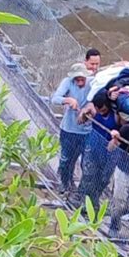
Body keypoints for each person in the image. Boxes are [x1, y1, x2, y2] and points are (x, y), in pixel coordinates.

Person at [70, 93, 119, 212]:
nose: (101, 111)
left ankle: (93, 201)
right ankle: (81, 199)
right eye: (98, 109)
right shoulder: (92, 110)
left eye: (103, 109)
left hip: (110, 152)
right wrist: (83, 112)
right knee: (88, 174)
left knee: (104, 178)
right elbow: (81, 118)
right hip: (93, 147)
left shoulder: (116, 115)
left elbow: (123, 128)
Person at [51, 63, 92, 194]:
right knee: (66, 159)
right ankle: (65, 183)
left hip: (87, 131)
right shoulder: (67, 82)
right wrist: (68, 100)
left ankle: (82, 191)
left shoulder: (92, 83)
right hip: (69, 129)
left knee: (87, 163)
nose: (80, 82)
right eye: (77, 79)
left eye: (82, 79)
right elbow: (55, 99)